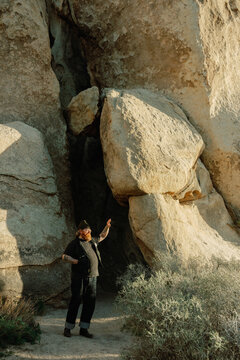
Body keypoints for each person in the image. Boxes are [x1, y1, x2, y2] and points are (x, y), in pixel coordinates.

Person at [62, 218, 111, 338]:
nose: (88, 231)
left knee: (90, 302)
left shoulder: (92, 241)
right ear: (79, 231)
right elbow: (64, 256)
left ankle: (84, 329)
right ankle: (68, 328)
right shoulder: (74, 244)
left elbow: (102, 236)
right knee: (76, 301)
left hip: (93, 276)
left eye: (89, 229)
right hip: (79, 277)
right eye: (85, 230)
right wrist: (73, 260)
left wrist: (107, 226)